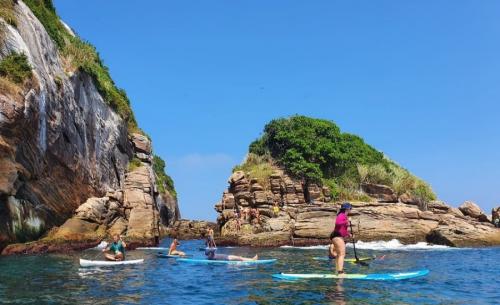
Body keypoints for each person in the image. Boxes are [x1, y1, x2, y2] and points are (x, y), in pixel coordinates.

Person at [331, 202, 352, 275]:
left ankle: (337, 271)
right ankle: (340, 272)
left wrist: (348, 234)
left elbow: (342, 229)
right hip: (337, 236)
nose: (351, 210)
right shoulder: (342, 215)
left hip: (337, 236)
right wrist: (347, 221)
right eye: (350, 208)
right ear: (347, 209)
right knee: (342, 254)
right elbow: (338, 223)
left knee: (339, 254)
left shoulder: (344, 216)